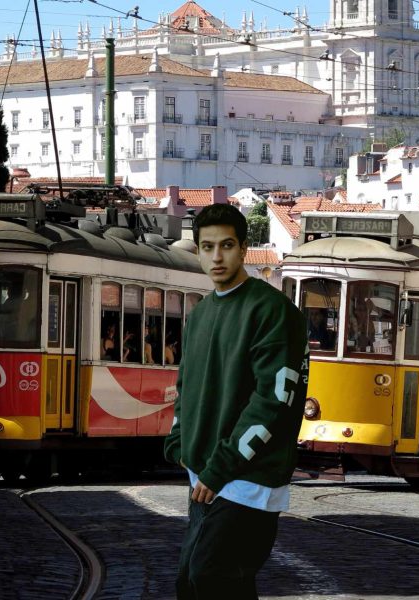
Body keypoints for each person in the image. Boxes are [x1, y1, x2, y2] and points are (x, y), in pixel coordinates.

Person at [164, 204, 309, 599]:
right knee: (192, 584)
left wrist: (220, 468)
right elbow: (186, 385)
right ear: (196, 251)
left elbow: (272, 402)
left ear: (244, 248)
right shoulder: (200, 314)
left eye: (226, 245)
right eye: (206, 247)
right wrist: (179, 443)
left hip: (248, 479)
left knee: (211, 577)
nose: (216, 256)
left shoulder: (273, 311)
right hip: (205, 474)